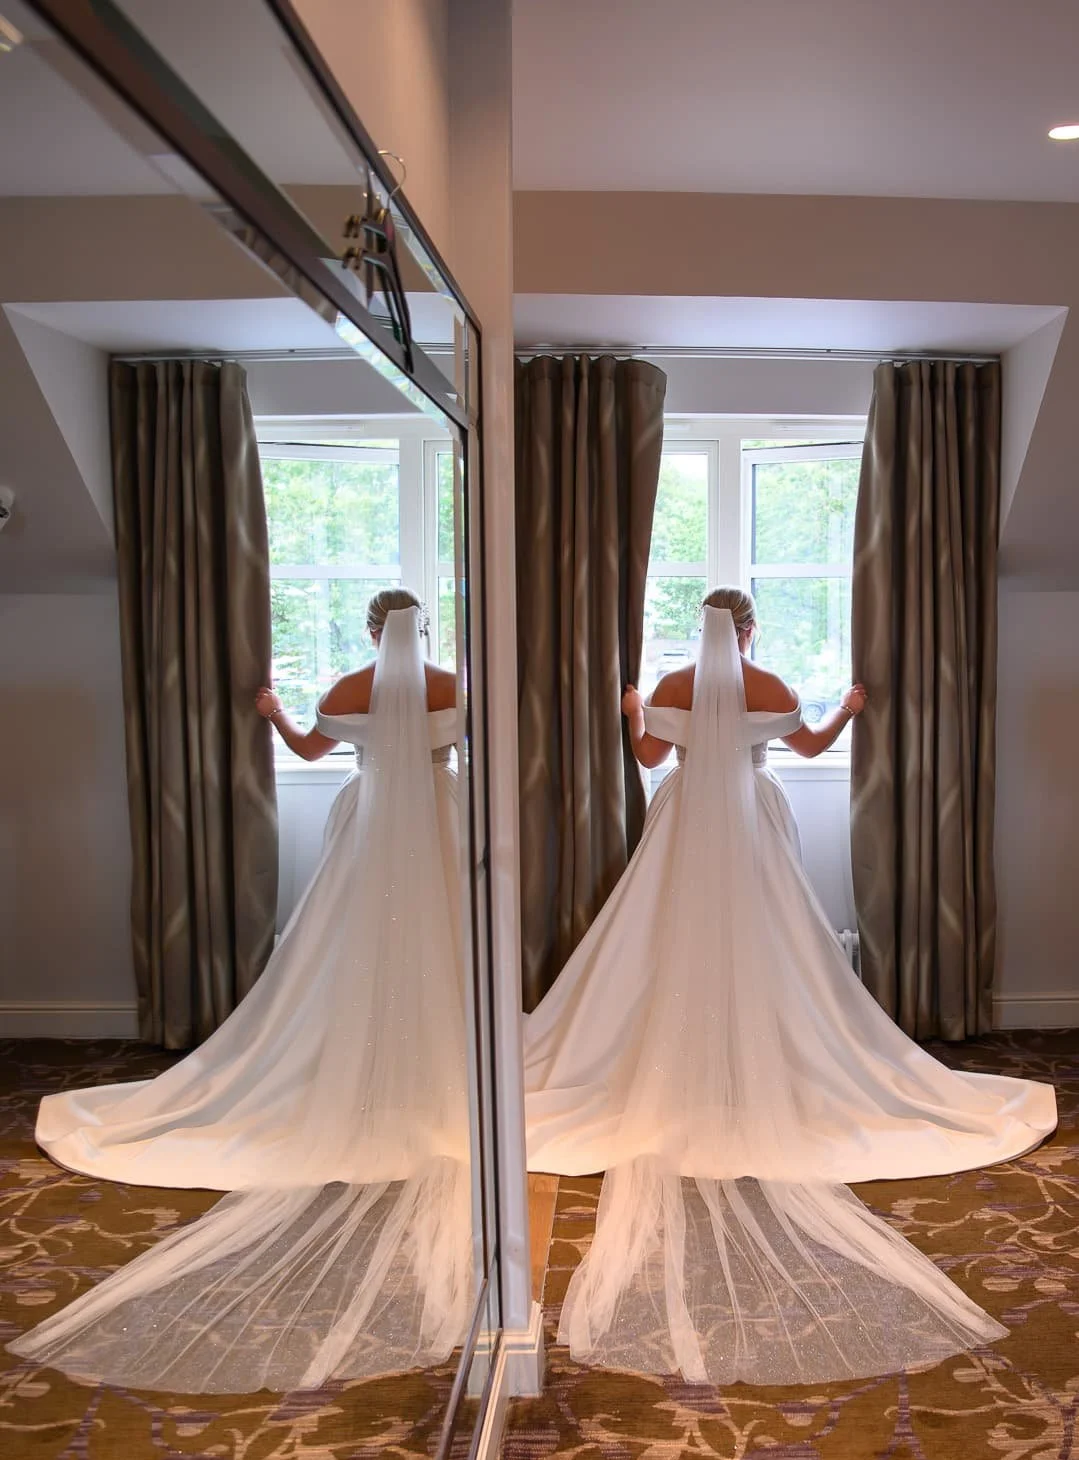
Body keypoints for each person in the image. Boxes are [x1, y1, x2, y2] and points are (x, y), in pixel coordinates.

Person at [524, 587, 1056, 1385]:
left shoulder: (672, 686)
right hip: (749, 823)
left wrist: (634, 713)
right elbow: (806, 750)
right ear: (746, 631)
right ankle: (760, 1063)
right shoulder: (767, 685)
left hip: (681, 824)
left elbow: (646, 761)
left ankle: (673, 1063)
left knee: (662, 942)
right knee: (767, 941)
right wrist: (843, 711)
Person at [8, 591, 473, 1392]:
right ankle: (441, 1055)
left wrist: (273, 712)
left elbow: (310, 753)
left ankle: (354, 1051)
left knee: (354, 939)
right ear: (419, 630)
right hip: (438, 815)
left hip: (369, 822)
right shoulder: (456, 688)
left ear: (372, 631)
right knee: (445, 936)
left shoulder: (343, 692)